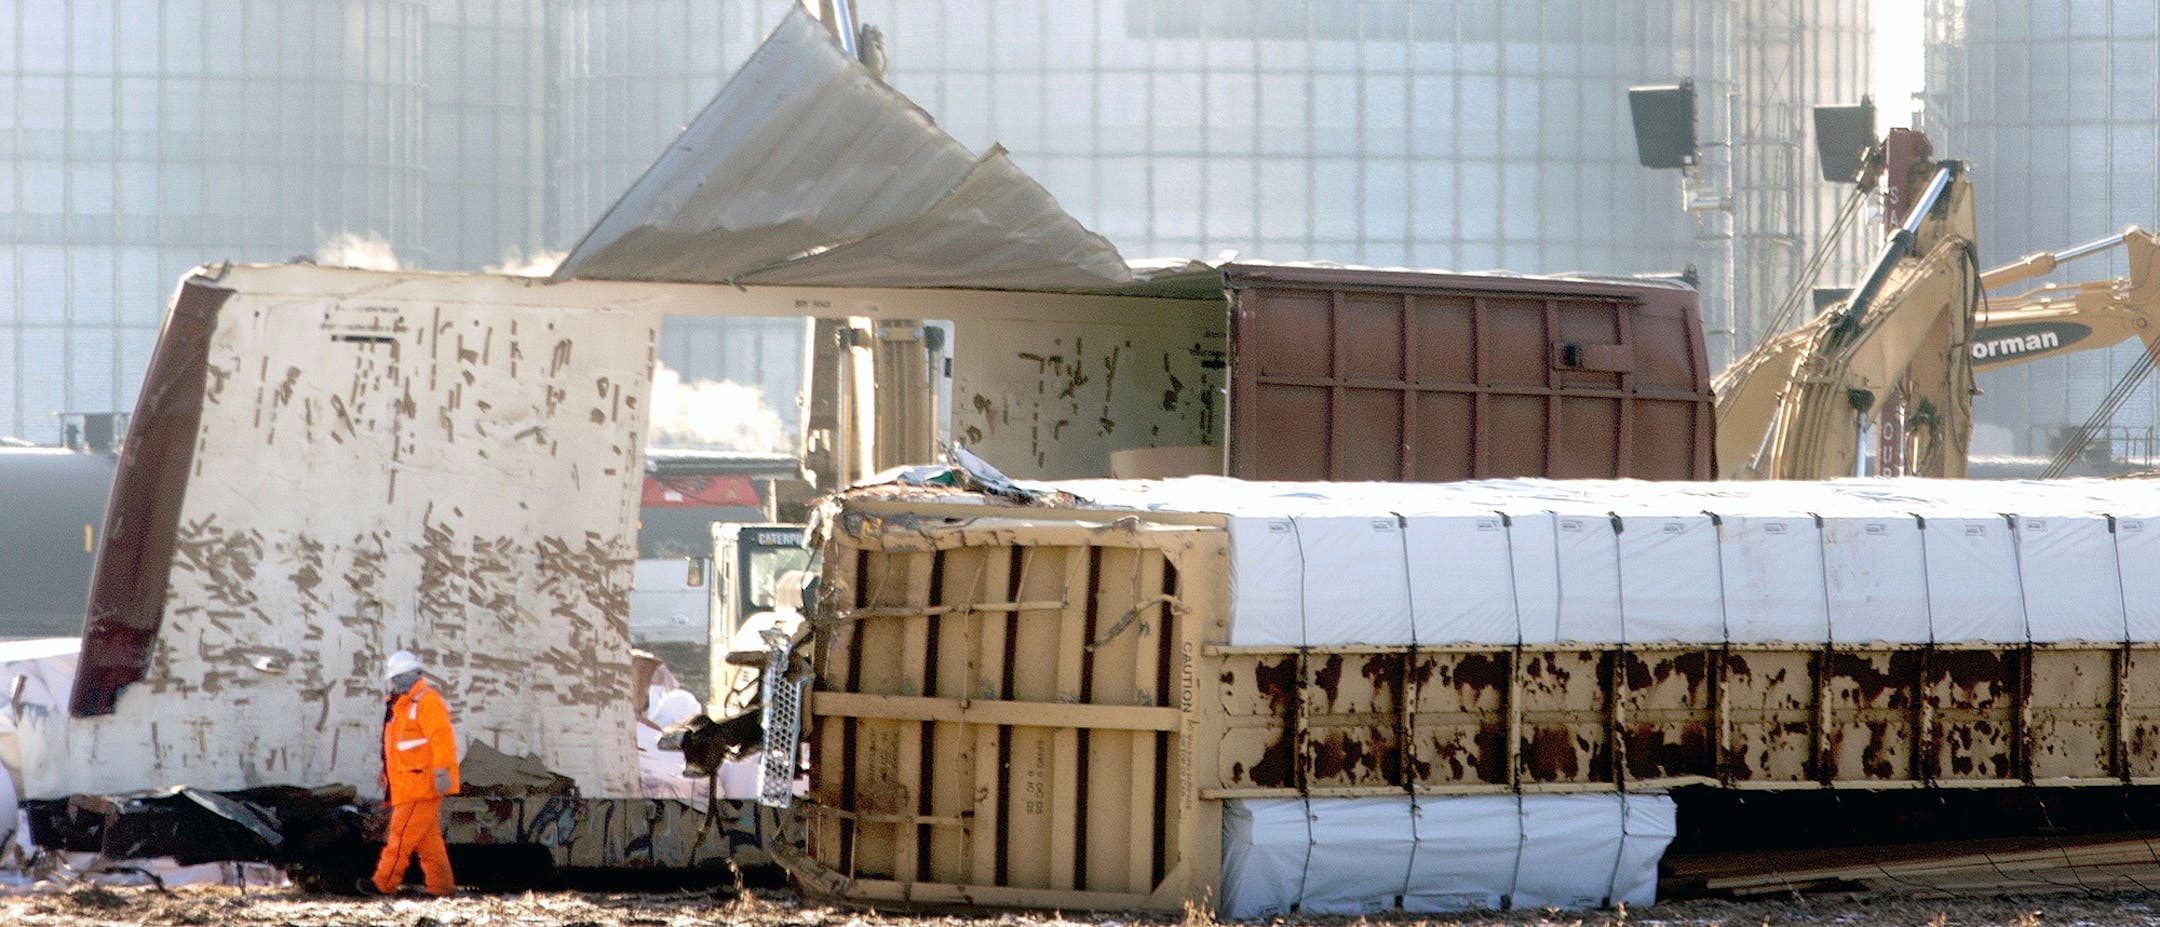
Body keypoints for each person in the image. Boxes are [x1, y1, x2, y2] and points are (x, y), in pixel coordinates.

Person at [364, 649, 460, 896]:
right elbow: (397, 748)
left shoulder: (426, 701)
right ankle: (441, 887)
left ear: (410, 675)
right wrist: (386, 775)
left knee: (400, 837)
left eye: (397, 677)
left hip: (420, 785)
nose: (394, 683)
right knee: (429, 843)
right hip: (411, 784)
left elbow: (442, 739)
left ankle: (383, 883)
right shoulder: (402, 705)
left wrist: (442, 772)